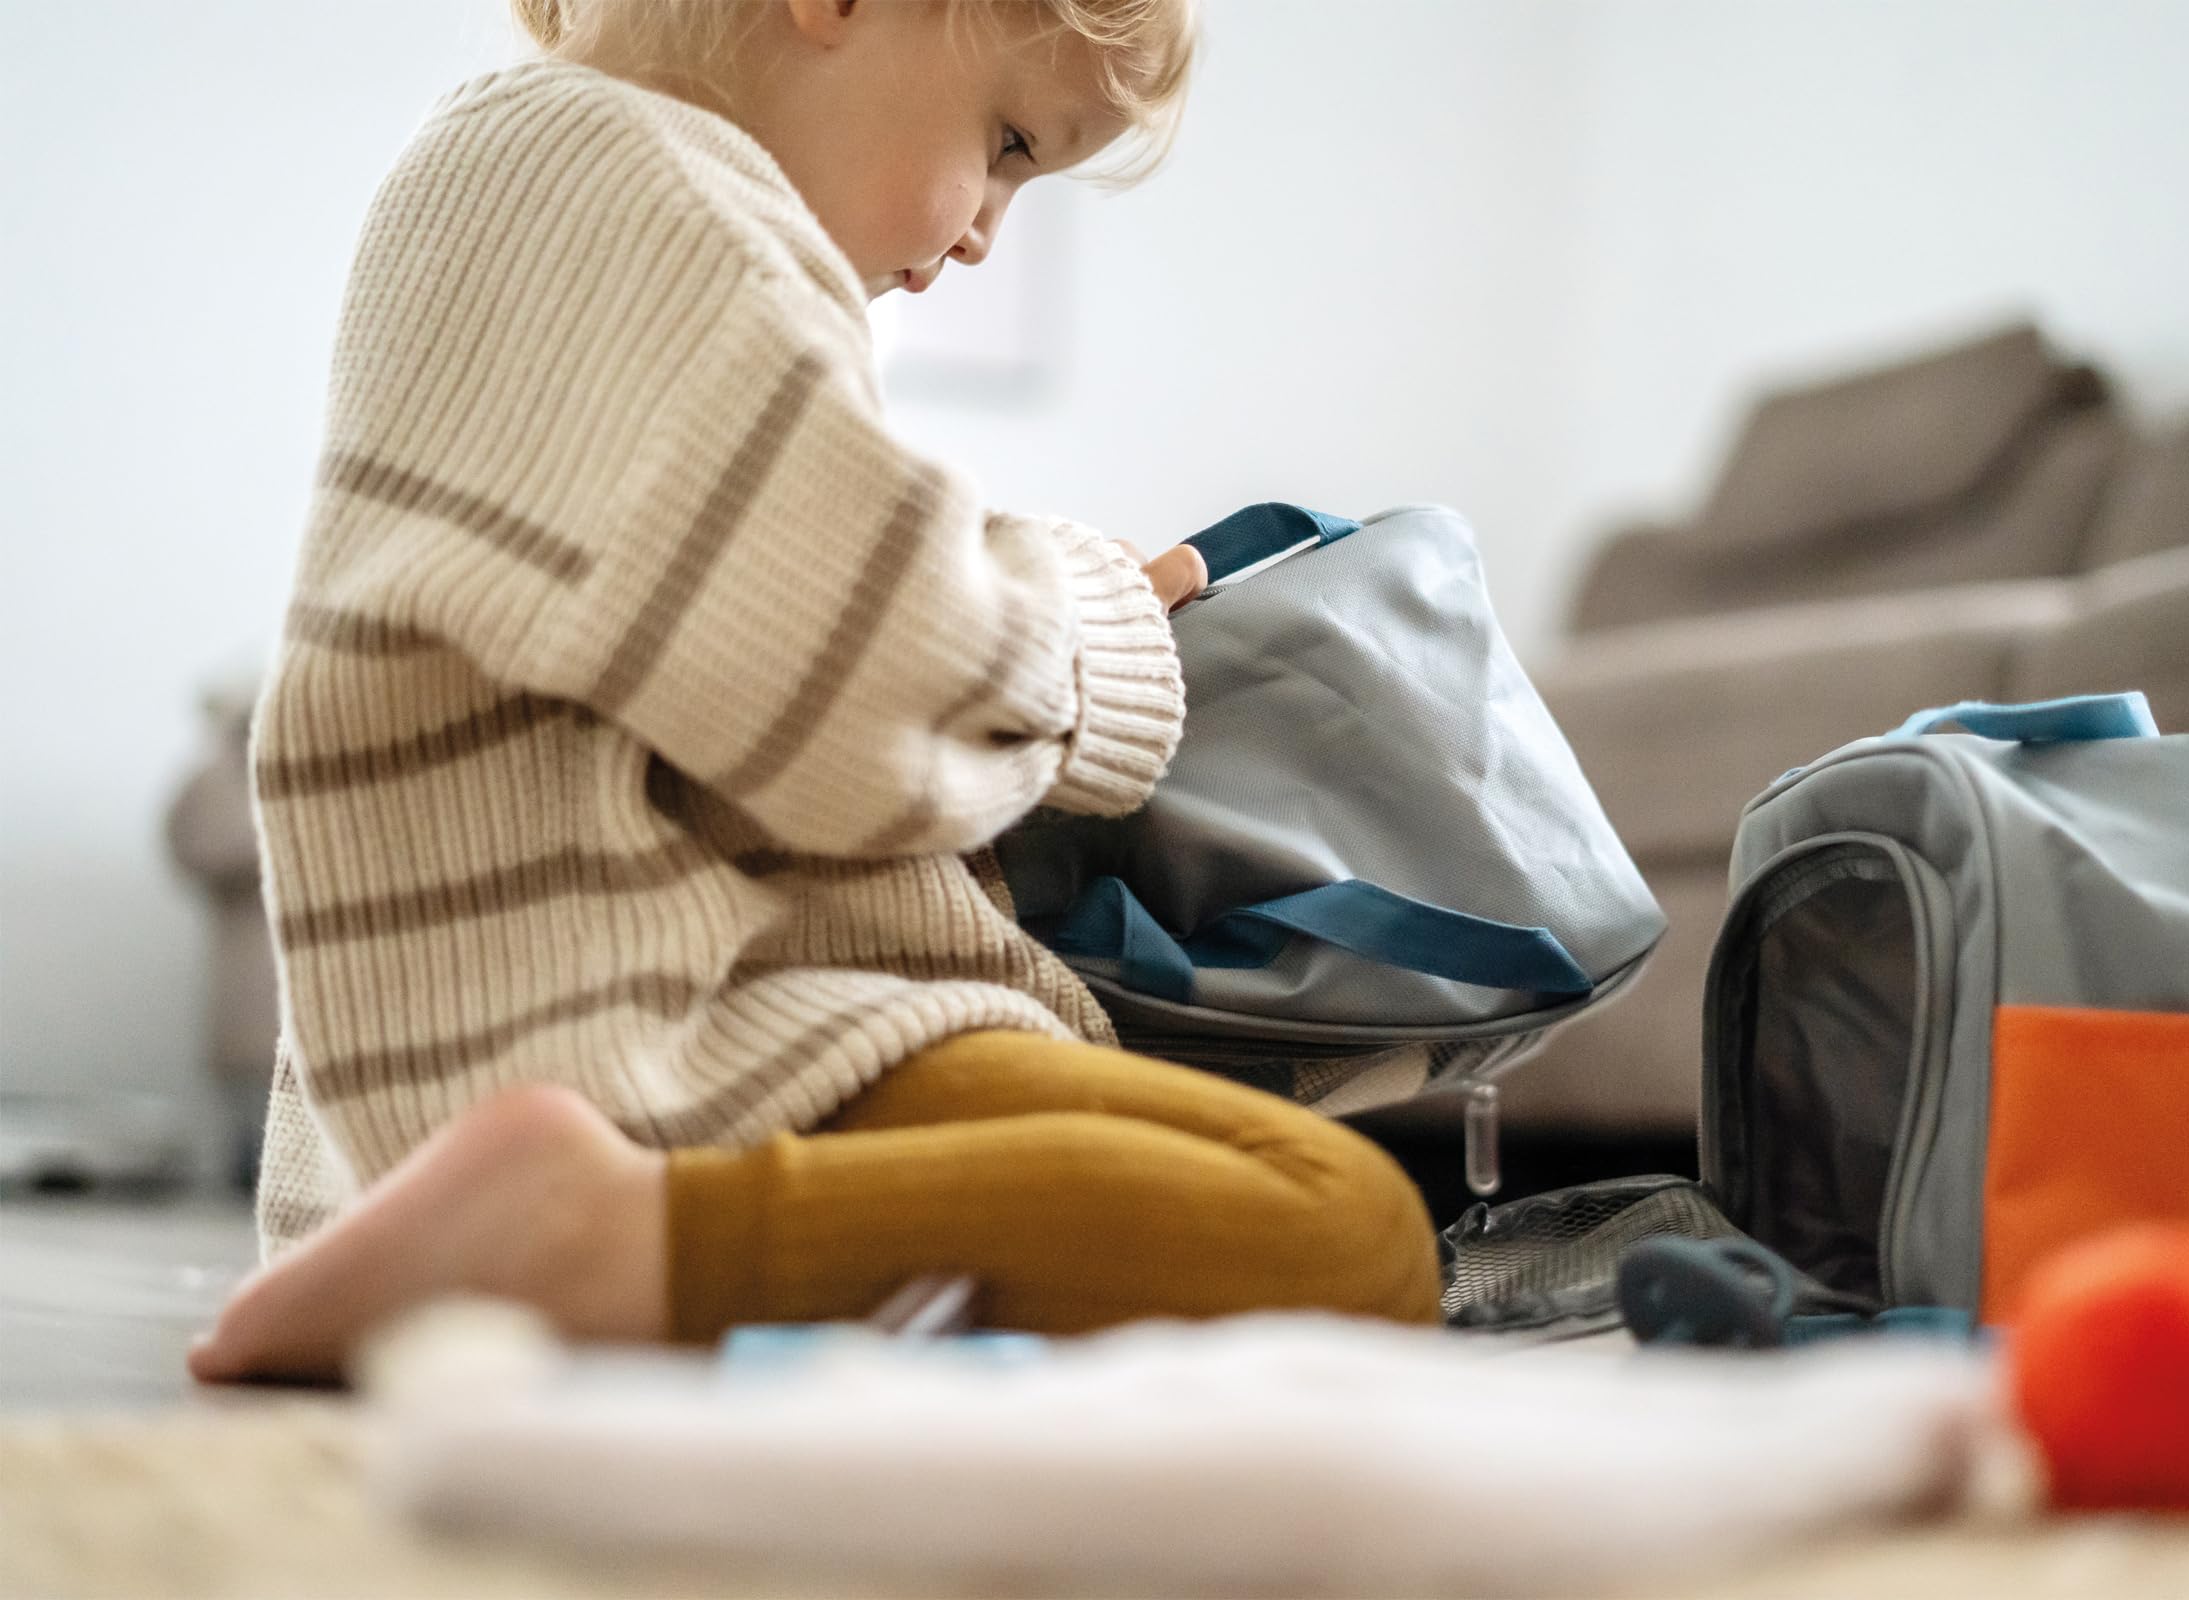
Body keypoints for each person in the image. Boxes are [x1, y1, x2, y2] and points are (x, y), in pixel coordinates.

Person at [191, 0, 1441, 1383]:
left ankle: (604, 1262)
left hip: (635, 1047)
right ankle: (595, 1240)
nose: (981, 235)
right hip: (687, 1050)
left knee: (1277, 1192)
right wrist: (1106, 617)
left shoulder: (556, 184)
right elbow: (877, 681)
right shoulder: (615, 183)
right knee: (1355, 1233)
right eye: (1009, 141)